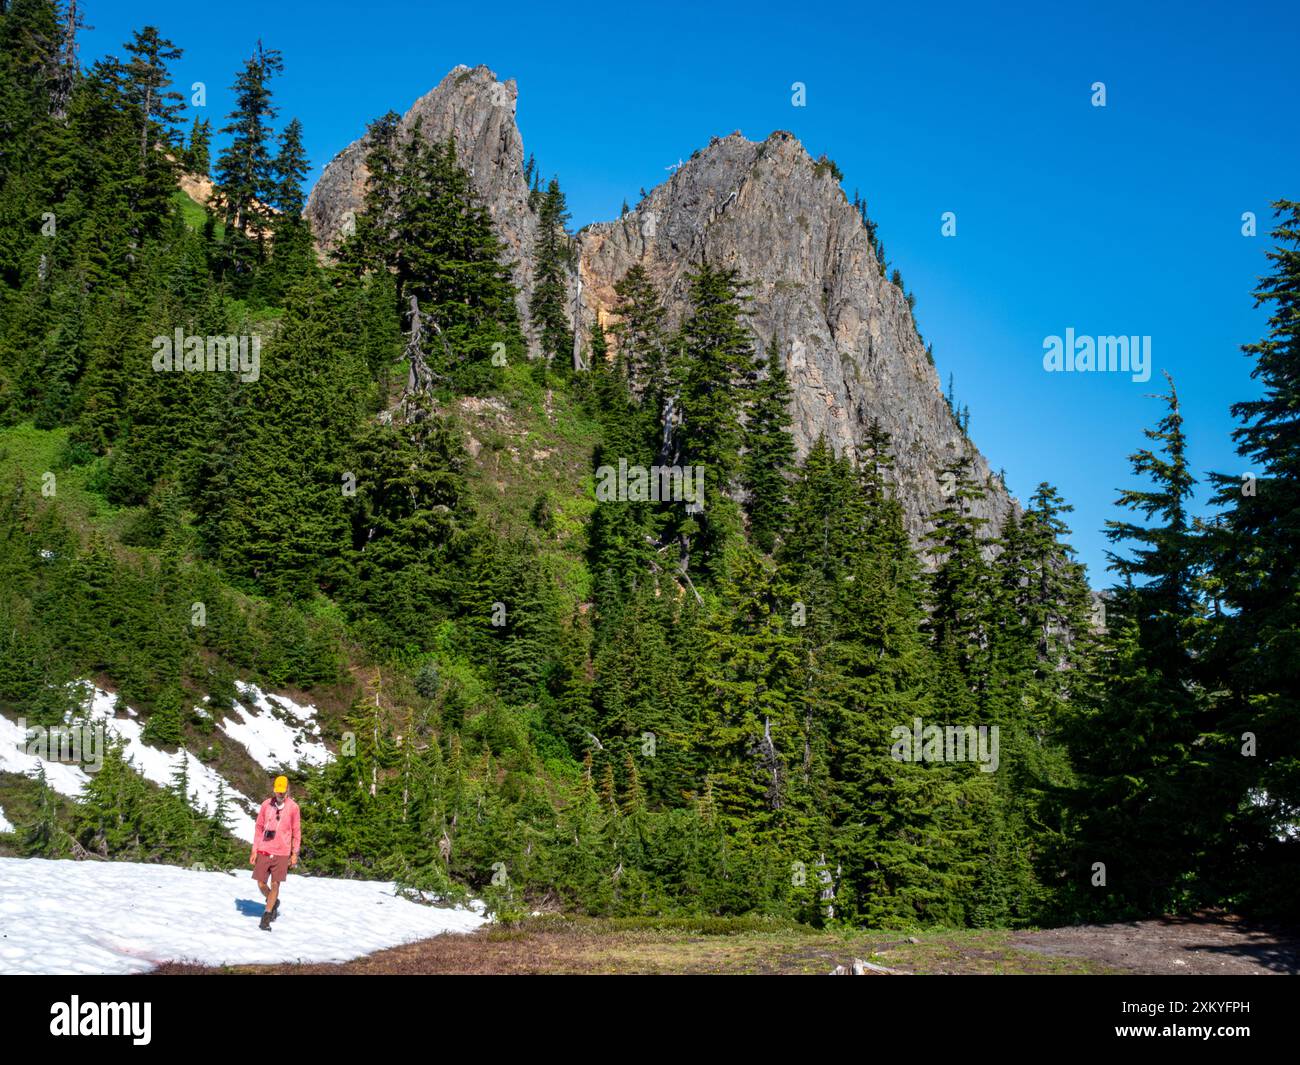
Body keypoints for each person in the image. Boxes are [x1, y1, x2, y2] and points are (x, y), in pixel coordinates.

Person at [250, 775, 301, 931]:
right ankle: (272, 900)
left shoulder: (293, 807)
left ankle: (266, 915)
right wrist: (254, 850)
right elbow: (259, 828)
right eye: (277, 791)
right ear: (274, 790)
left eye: (283, 791)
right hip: (265, 849)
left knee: (275, 883)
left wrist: (294, 853)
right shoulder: (266, 805)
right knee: (260, 883)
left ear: (287, 789)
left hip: (282, 851)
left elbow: (296, 831)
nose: (280, 794)